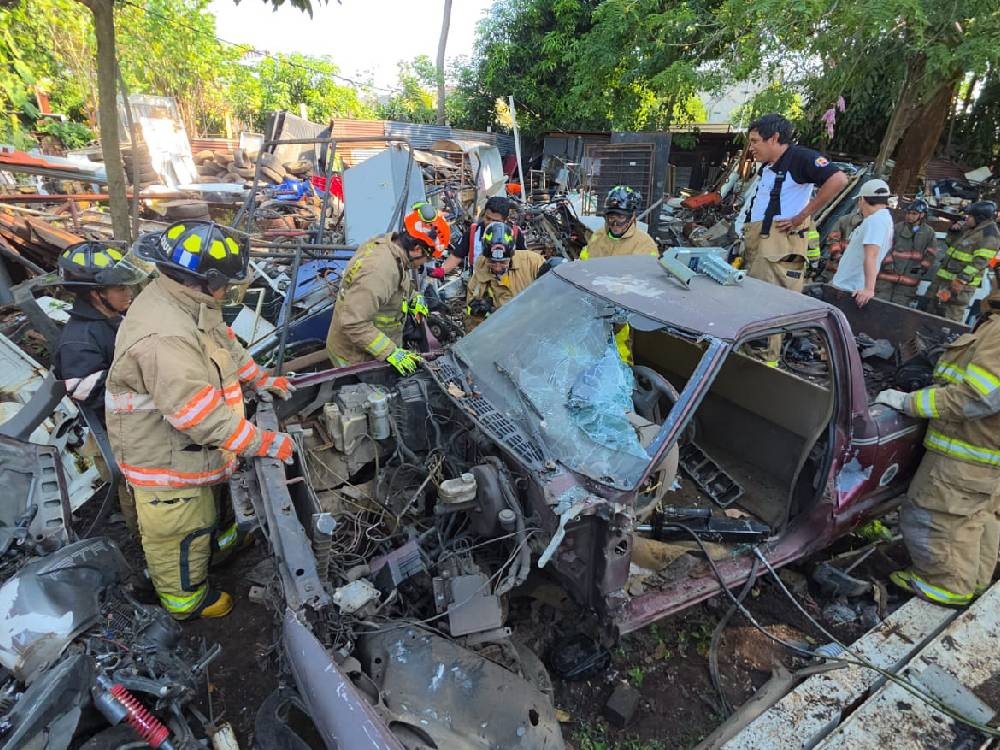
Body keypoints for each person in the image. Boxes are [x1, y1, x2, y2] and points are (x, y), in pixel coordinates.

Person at [105, 221, 296, 621]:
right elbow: (198, 414)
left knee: (208, 519)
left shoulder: (186, 303)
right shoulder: (165, 336)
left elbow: (224, 342)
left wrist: (261, 379)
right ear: (205, 280)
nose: (228, 290)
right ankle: (186, 603)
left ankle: (217, 552)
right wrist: (262, 442)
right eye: (225, 282)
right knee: (179, 536)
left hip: (193, 453)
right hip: (165, 463)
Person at [875, 267, 1000, 606]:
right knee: (975, 517)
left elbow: (980, 396)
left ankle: (943, 589)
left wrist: (909, 402)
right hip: (986, 455)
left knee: (934, 516)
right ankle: (973, 581)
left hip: (968, 453)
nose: (991, 278)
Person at [51, 241, 147, 533]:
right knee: (140, 500)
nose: (128, 292)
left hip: (135, 429)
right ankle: (148, 551)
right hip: (117, 440)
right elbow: (97, 397)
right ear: (96, 293)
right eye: (120, 287)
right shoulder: (79, 341)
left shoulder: (111, 319)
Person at [742, 114, 848, 365]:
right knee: (753, 297)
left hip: (777, 245)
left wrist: (801, 216)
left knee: (767, 301)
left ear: (775, 138)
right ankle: (754, 352)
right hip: (762, 241)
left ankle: (766, 360)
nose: (752, 147)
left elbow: (839, 179)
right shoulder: (771, 166)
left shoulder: (799, 158)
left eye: (756, 141)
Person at [326, 203, 450, 373]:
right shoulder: (378, 271)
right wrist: (391, 352)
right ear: (416, 249)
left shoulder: (393, 248)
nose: (424, 264)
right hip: (356, 360)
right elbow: (353, 322)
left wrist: (414, 297)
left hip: (372, 348)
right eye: (427, 259)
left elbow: (397, 283)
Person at [925, 201, 1000, 323]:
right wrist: (953, 231)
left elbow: (980, 262)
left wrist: (961, 280)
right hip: (943, 281)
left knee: (948, 320)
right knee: (930, 315)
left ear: (980, 218)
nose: (966, 218)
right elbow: (951, 245)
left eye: (970, 216)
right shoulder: (970, 228)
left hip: (959, 287)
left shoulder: (990, 235)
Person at [465, 221, 544, 330]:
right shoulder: (479, 275)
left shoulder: (533, 262)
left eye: (503, 262)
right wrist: (482, 312)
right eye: (492, 262)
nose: (497, 268)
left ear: (512, 255)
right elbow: (471, 320)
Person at [830, 179, 895, 308]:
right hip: (848, 286)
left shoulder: (875, 221)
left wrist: (869, 289)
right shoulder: (881, 219)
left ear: (862, 200)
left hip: (851, 289)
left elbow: (871, 255)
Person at [438, 196, 525, 276]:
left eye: (495, 221)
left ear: (505, 220)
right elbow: (456, 256)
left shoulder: (515, 233)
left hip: (506, 284)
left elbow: (524, 261)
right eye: (487, 218)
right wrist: (440, 272)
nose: (489, 223)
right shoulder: (473, 232)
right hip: (478, 283)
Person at [875, 199, 937, 306]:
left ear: (922, 215)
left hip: (907, 283)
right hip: (888, 276)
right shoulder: (897, 228)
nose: (909, 216)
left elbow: (931, 254)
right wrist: (888, 264)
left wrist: (920, 270)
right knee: (878, 304)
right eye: (908, 213)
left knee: (898, 310)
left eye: (914, 214)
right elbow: (886, 247)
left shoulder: (929, 233)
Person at [578, 185, 658, 260]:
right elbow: (585, 262)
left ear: (632, 217)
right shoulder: (598, 236)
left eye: (621, 217)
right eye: (611, 217)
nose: (615, 224)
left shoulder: (645, 244)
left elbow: (650, 272)